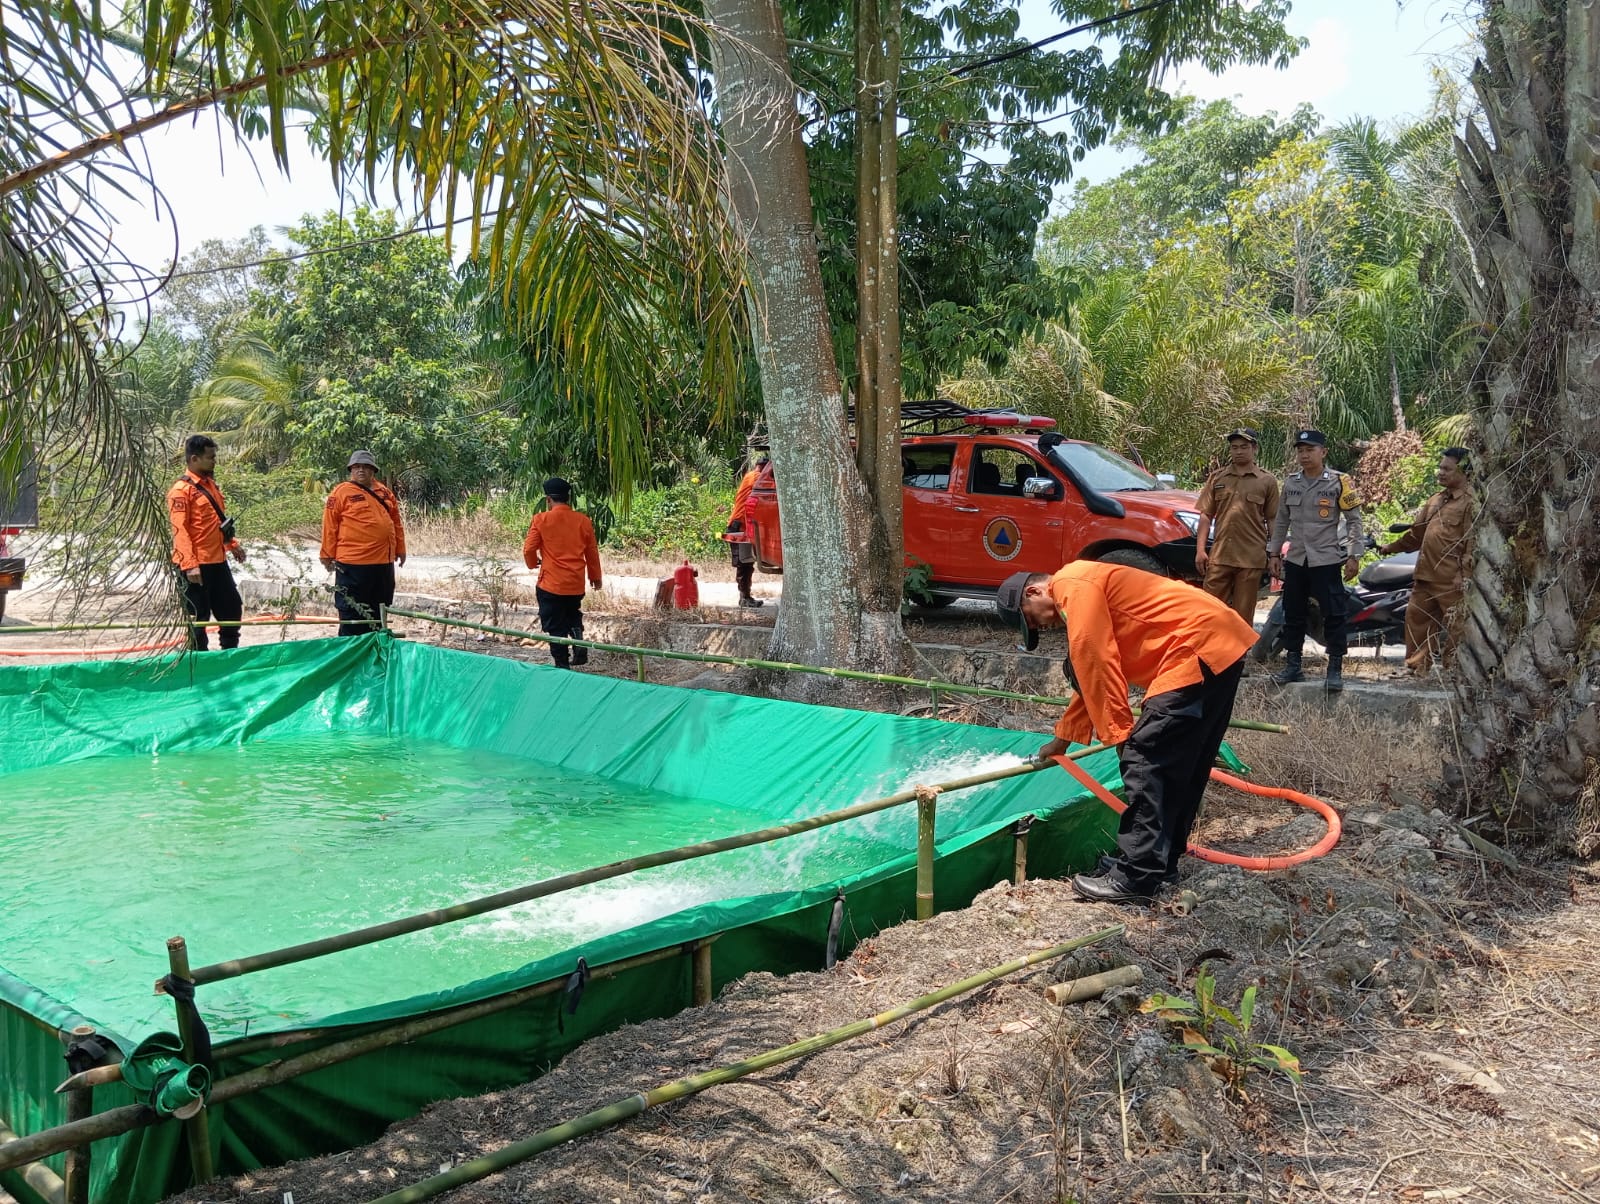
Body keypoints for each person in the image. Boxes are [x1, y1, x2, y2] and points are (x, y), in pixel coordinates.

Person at [997, 562, 1256, 905]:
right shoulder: (1084, 583)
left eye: (1032, 619)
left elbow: (1095, 657)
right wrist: (1060, 742)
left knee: (1146, 760)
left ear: (1034, 592)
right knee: (1182, 764)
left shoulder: (1071, 584)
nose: (1042, 626)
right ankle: (1160, 863)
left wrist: (1121, 736)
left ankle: (1136, 875)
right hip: (1218, 643)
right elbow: (1091, 677)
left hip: (1193, 648)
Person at [1267, 430, 1363, 692]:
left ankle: (1334, 668)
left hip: (1326, 559)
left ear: (1323, 452)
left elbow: (1354, 520)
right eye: (1300, 450)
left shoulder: (1339, 482)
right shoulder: (1291, 483)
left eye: (1310, 449)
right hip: (1297, 559)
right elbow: (1282, 521)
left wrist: (1354, 555)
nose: (1304, 455)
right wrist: (1274, 554)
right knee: (1293, 613)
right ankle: (1293, 665)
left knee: (1334, 613)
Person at [1378, 447, 1474, 674]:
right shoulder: (1435, 501)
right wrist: (1390, 548)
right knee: (1416, 621)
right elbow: (1416, 535)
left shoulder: (1470, 502)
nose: (1440, 473)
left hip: (1451, 579)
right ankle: (1415, 667)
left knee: (1456, 627)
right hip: (1425, 575)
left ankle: (1455, 672)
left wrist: (1464, 574)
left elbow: (1473, 542)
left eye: (1447, 469)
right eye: (1440, 467)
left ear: (1464, 472)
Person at [167, 434, 247, 651]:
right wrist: (190, 564)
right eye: (210, 457)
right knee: (198, 619)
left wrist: (231, 544)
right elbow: (180, 531)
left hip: (217, 560)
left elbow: (217, 521)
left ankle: (229, 655)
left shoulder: (211, 485)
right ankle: (199, 661)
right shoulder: (181, 492)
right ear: (194, 459)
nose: (214, 461)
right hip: (195, 566)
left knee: (231, 610)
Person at [1193, 428, 1279, 626]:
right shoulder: (1218, 478)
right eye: (1234, 447)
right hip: (1220, 556)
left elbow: (1273, 519)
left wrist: (1275, 555)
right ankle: (1207, 654)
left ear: (1254, 448)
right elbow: (1206, 515)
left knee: (1243, 613)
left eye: (1244, 447)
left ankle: (1238, 656)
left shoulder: (1267, 481)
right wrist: (1200, 550)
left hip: (1251, 558)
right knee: (1209, 608)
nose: (1239, 451)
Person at [320, 450, 407, 637]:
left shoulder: (384, 492)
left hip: (383, 565)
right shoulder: (340, 493)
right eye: (357, 467)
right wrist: (326, 554)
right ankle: (350, 655)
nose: (361, 470)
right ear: (351, 469)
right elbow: (330, 525)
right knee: (352, 614)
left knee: (379, 610)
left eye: (366, 467)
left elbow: (396, 522)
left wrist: (401, 549)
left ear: (373, 470)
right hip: (353, 565)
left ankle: (375, 651)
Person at [522, 476, 602, 669]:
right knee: (572, 613)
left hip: (551, 584)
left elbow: (528, 550)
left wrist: (533, 564)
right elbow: (591, 552)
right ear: (568, 498)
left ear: (548, 499)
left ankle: (562, 664)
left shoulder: (541, 519)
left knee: (554, 625)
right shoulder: (583, 521)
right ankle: (578, 638)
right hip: (575, 583)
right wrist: (595, 577)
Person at [725, 454, 766, 608]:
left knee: (746, 563)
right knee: (744, 563)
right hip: (739, 525)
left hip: (741, 524)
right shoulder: (755, 477)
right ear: (761, 468)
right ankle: (744, 598)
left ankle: (745, 596)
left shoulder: (750, 476)